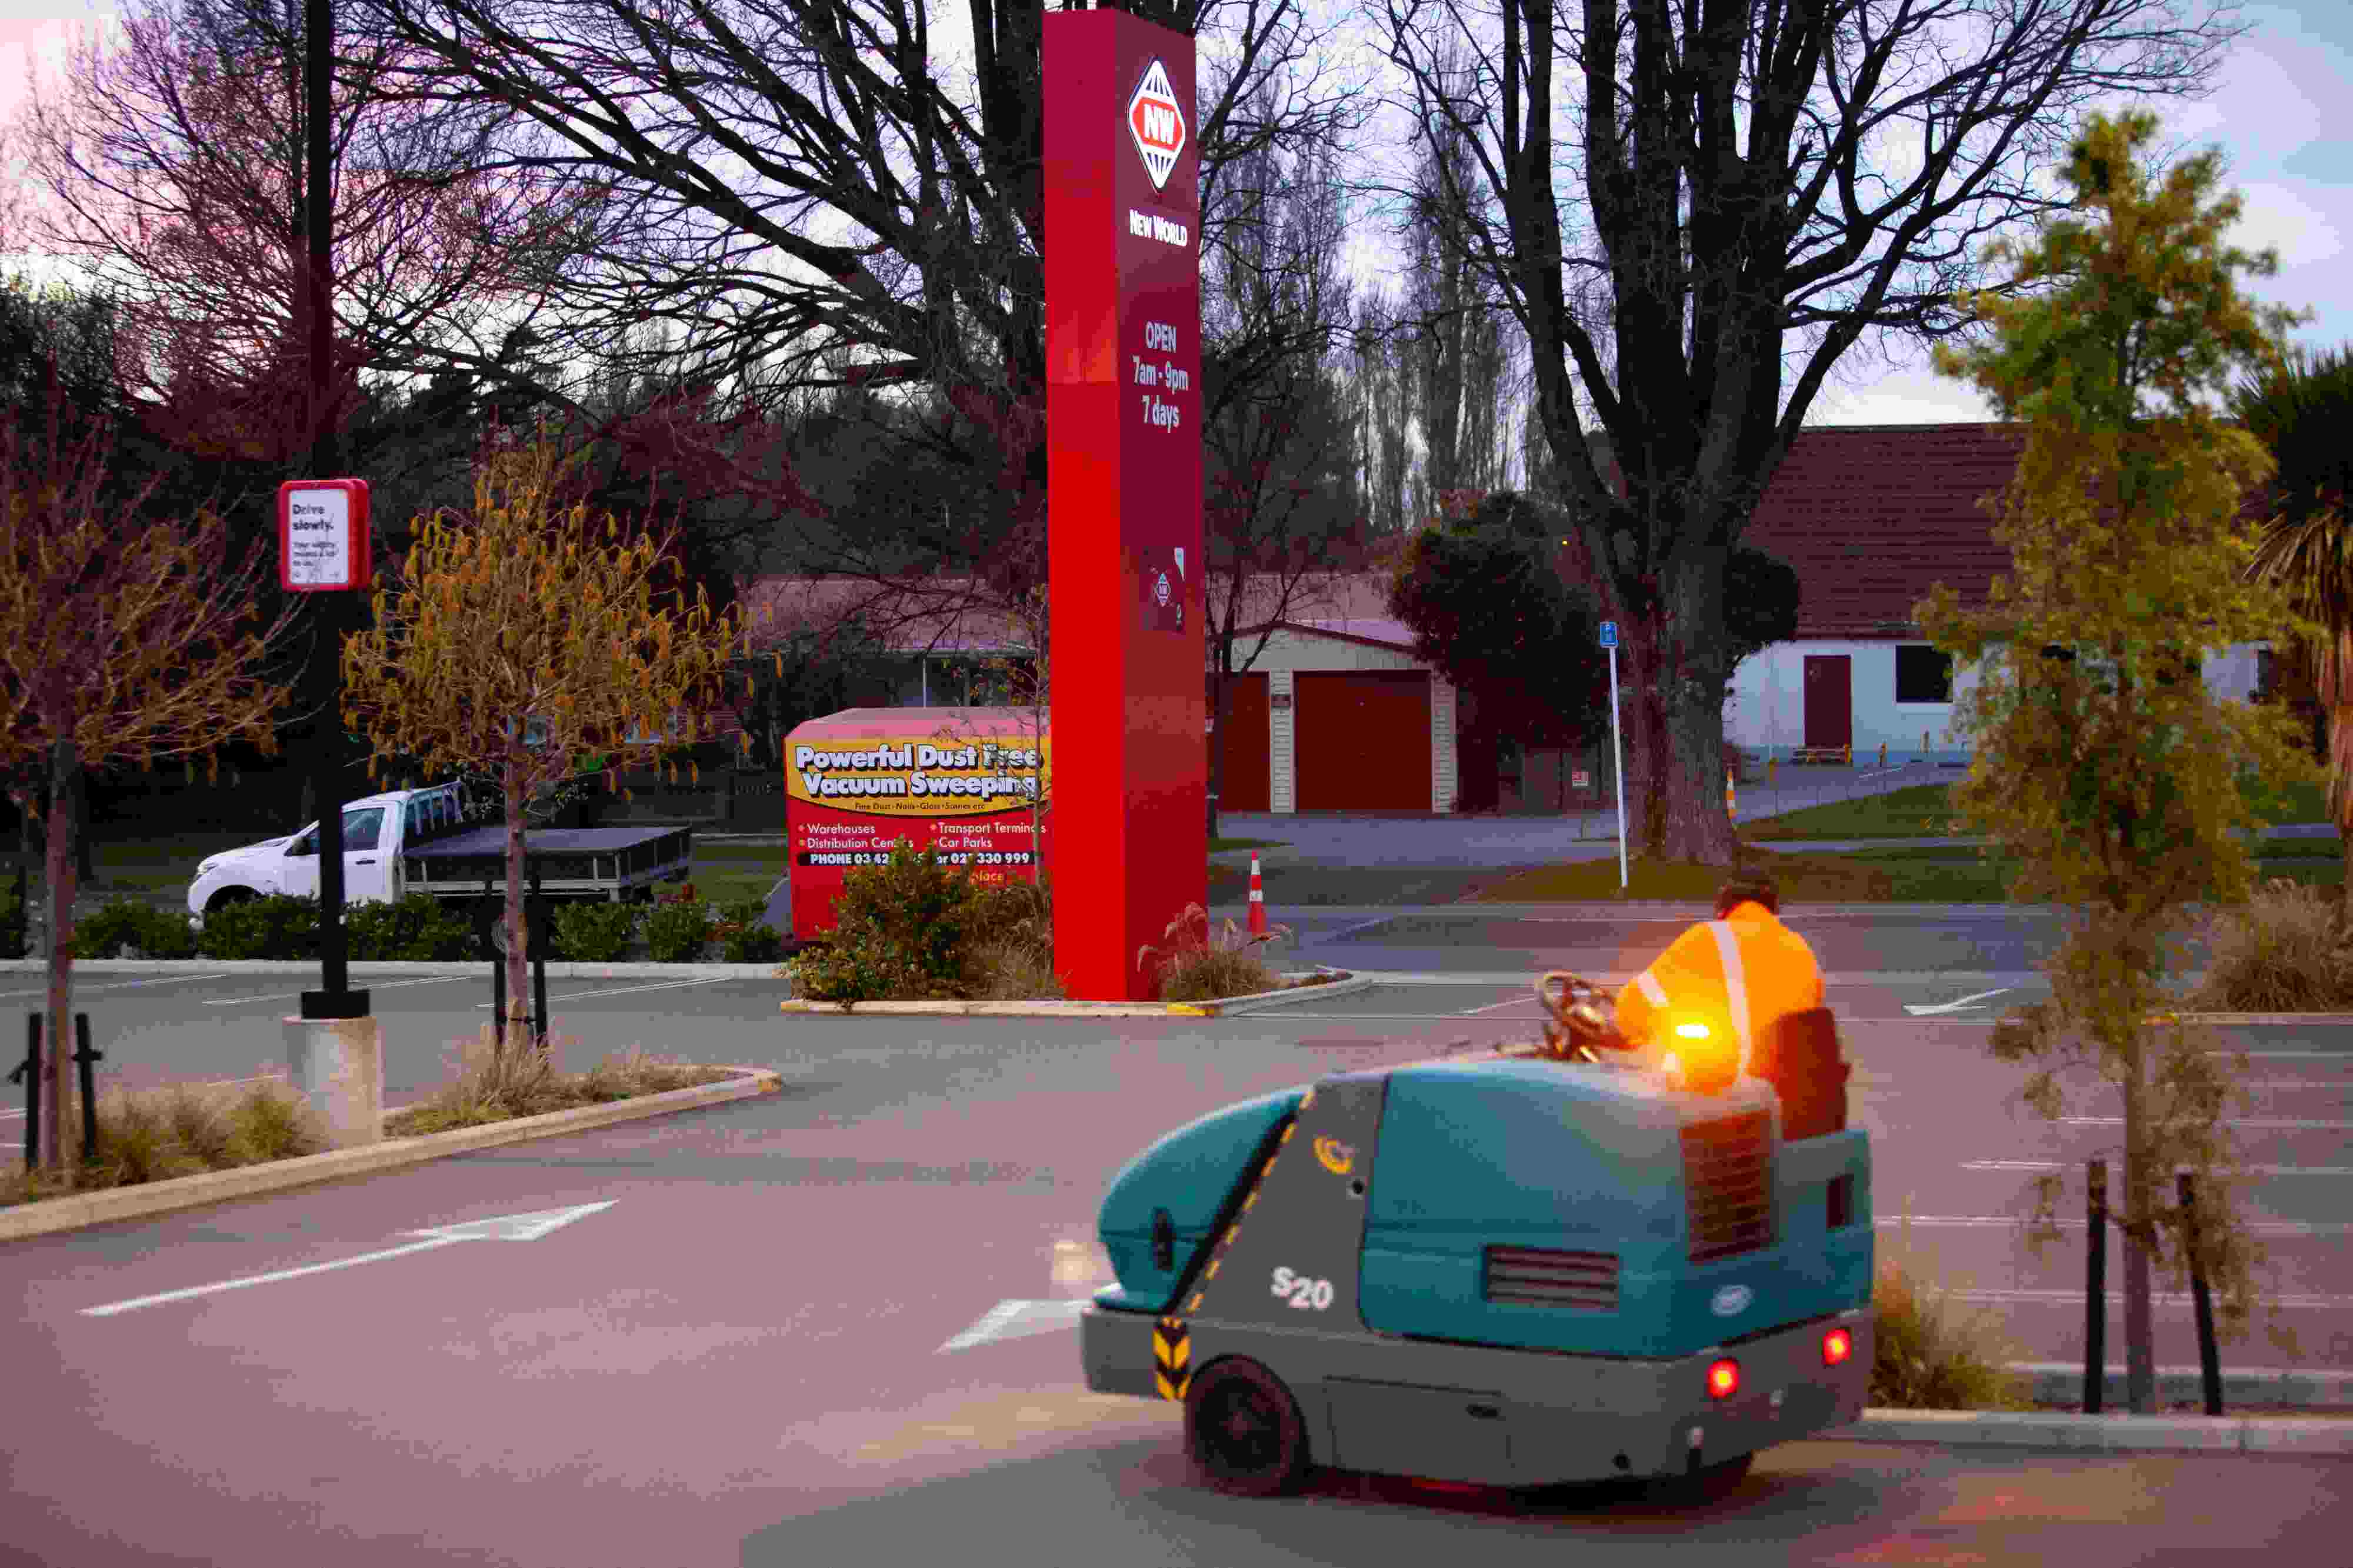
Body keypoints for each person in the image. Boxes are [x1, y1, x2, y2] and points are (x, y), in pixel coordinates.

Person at [1613, 878, 1824, 1082]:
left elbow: (1633, 1005)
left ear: (1723, 910)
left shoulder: (1708, 937)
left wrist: (1648, 1028)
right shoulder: (1800, 947)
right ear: (1773, 911)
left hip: (1719, 1089)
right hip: (1787, 1093)